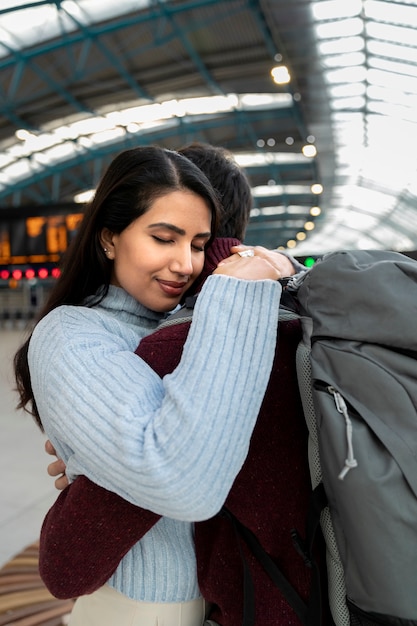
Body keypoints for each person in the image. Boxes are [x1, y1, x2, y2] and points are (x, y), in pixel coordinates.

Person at [36, 144, 319, 624]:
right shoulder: (72, 332)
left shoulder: (188, 328)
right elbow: (181, 479)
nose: (184, 265)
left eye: (195, 245)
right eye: (163, 238)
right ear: (109, 237)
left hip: (228, 601)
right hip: (143, 609)